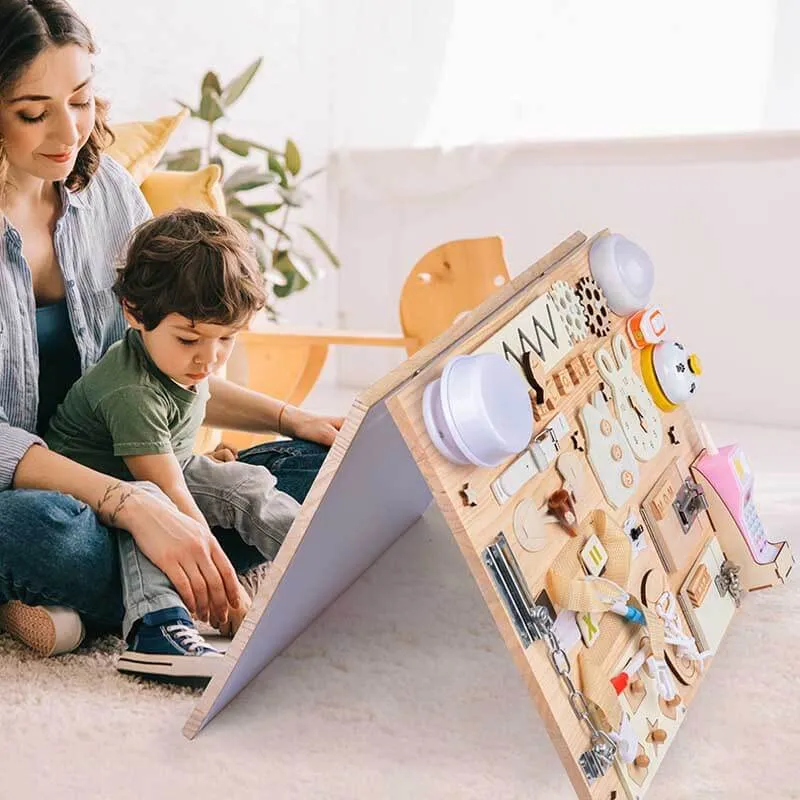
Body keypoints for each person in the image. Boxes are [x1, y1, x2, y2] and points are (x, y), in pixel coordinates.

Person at [0, 0, 343, 674]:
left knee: (314, 466)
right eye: (34, 112)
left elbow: (159, 365)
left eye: (83, 100)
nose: (69, 133)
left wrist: (290, 417)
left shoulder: (109, 193)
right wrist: (129, 503)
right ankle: (135, 582)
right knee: (48, 536)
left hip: (129, 461)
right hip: (36, 496)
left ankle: (80, 606)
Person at [45, 209, 307, 678]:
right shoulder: (131, 390)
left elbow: (197, 419)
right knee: (154, 523)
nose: (209, 358)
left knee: (246, 483)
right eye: (190, 339)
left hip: (169, 470)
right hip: (94, 497)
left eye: (226, 337)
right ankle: (156, 625)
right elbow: (168, 498)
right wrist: (225, 590)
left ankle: (317, 560)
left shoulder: (182, 359)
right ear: (134, 313)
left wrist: (292, 420)